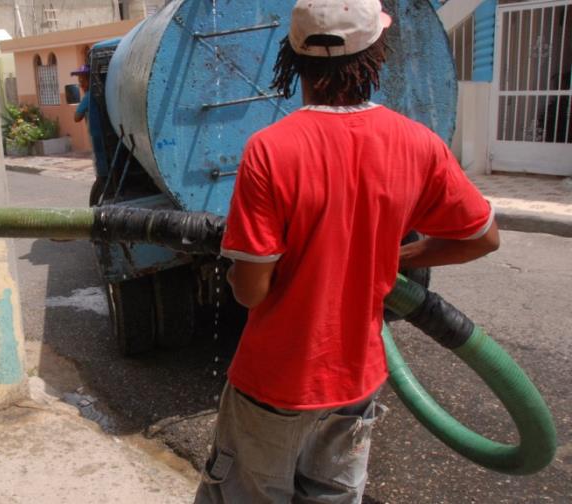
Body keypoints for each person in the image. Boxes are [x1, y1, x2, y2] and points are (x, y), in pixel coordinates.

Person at [195, 1, 499, 503]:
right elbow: (482, 237)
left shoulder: (270, 149)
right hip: (357, 383)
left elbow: (251, 293)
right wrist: (392, 257)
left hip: (275, 383)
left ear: (293, 58)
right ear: (377, 54)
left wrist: (236, 271)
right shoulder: (417, 144)